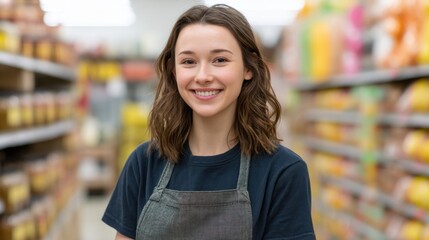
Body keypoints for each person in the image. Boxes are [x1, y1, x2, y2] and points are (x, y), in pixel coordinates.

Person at [102, 4, 315, 240]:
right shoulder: (144, 164)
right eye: (189, 62)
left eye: (220, 60)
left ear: (248, 68)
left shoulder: (283, 172)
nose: (203, 76)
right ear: (174, 70)